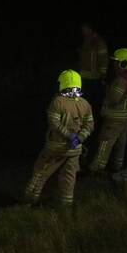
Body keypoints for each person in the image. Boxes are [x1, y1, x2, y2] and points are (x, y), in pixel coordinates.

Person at [23, 70, 94, 209]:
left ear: (63, 84)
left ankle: (28, 200)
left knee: (40, 172)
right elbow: (90, 125)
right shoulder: (85, 103)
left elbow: (54, 123)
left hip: (56, 147)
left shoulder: (57, 102)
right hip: (75, 149)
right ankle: (66, 204)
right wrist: (79, 138)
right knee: (69, 177)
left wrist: (69, 135)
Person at [89, 48, 127, 175]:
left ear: (124, 63)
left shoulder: (121, 80)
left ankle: (96, 169)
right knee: (121, 142)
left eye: (117, 62)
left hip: (114, 118)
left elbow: (114, 99)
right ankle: (117, 166)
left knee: (105, 142)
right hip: (126, 116)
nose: (114, 64)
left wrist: (107, 89)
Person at [77, 23, 109, 111]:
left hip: (94, 78)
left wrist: (103, 75)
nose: (83, 31)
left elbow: (103, 59)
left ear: (91, 29)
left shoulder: (98, 42)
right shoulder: (86, 40)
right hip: (84, 76)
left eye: (85, 29)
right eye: (82, 29)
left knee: (93, 102)